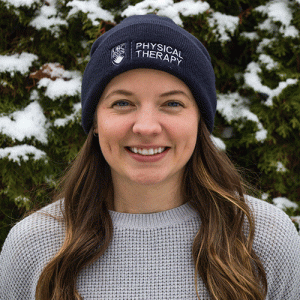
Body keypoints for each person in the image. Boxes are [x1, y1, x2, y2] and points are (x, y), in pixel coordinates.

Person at [0, 14, 299, 300]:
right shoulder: (34, 246)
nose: (146, 127)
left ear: (199, 120)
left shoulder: (263, 238)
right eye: (122, 102)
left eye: (171, 102)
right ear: (94, 121)